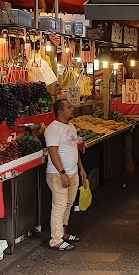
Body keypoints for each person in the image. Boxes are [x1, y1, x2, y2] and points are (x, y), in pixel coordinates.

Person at [45, 99, 87, 251]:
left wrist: (80, 168)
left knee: (68, 204)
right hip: (58, 175)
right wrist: (62, 173)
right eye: (69, 107)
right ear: (60, 111)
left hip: (72, 172)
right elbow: (53, 152)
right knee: (59, 206)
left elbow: (74, 149)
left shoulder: (71, 127)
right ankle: (55, 239)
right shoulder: (53, 129)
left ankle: (63, 233)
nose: (72, 109)